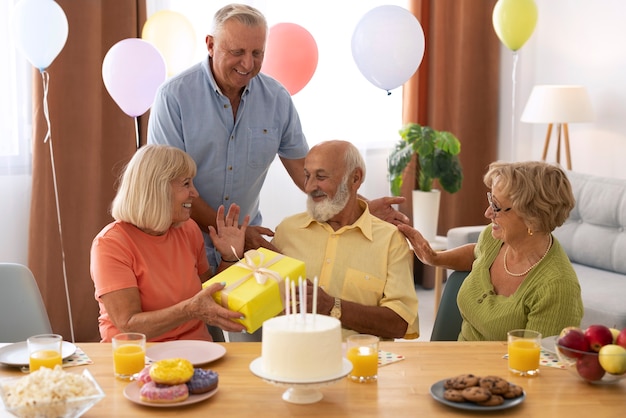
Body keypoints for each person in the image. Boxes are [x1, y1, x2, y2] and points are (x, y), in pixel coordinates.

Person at [147, 3, 408, 274]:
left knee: (246, 316)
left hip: (246, 251)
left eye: (257, 53)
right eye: (237, 52)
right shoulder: (173, 98)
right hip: (183, 244)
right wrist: (237, 233)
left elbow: (305, 174)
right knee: (193, 317)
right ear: (210, 45)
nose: (247, 64)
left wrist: (359, 208)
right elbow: (169, 187)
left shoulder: (276, 99)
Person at [398, 161, 583, 341]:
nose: (487, 213)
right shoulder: (494, 239)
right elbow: (478, 254)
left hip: (503, 371)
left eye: (496, 206)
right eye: (490, 200)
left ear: (532, 217)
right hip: (458, 361)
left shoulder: (557, 288)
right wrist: (435, 258)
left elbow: (538, 364)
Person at [90, 144, 250, 342]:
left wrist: (229, 257)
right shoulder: (111, 244)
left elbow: (207, 296)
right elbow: (128, 324)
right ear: (158, 188)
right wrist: (190, 310)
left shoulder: (188, 229)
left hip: (197, 350)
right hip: (138, 358)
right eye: (186, 184)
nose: (195, 193)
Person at [272, 140, 419, 341]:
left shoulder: (389, 240)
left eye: (321, 177)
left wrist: (333, 306)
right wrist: (232, 254)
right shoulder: (287, 231)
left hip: (358, 364)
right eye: (307, 176)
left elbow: (399, 323)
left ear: (355, 178)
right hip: (290, 360)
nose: (309, 187)